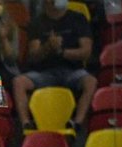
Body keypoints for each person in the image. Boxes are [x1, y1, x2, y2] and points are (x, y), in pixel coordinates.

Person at [12, 0, 97, 132]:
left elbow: (85, 52)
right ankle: (26, 124)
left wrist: (61, 52)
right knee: (19, 82)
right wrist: (48, 47)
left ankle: (77, 123)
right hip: (44, 73)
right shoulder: (37, 22)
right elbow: (33, 55)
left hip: (73, 70)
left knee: (91, 82)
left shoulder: (78, 19)